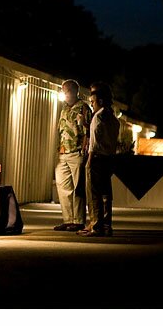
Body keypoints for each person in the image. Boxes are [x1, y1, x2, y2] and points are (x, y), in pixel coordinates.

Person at [79, 82, 121, 237]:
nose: (91, 105)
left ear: (100, 100)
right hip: (109, 158)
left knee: (94, 193)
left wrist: (89, 160)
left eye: (92, 102)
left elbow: (94, 143)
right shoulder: (113, 118)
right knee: (106, 194)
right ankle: (106, 225)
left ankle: (95, 225)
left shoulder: (97, 117)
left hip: (96, 158)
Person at [53, 79, 92, 231]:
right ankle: (68, 219)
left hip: (77, 153)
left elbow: (88, 133)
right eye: (64, 90)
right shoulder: (64, 109)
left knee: (78, 188)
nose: (65, 94)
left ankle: (78, 220)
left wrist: (84, 152)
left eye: (68, 90)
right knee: (63, 186)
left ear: (75, 92)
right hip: (64, 153)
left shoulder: (83, 108)